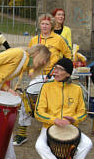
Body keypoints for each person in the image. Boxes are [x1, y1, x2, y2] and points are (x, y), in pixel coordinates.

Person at [35, 58, 91, 159]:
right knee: (39, 145)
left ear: (68, 73)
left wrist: (75, 119)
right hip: (50, 127)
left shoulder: (77, 89)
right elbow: (38, 112)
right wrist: (54, 120)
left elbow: (83, 112)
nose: (56, 71)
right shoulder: (46, 87)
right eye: (55, 68)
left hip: (70, 129)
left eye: (60, 69)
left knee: (87, 143)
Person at [14, 14, 72, 146]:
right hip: (38, 75)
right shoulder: (34, 39)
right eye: (42, 24)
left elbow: (68, 55)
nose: (44, 26)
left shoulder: (59, 40)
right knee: (26, 100)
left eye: (47, 24)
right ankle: (22, 133)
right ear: (39, 25)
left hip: (54, 77)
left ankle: (52, 132)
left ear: (51, 25)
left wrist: (62, 71)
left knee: (53, 104)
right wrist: (30, 70)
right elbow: (29, 56)